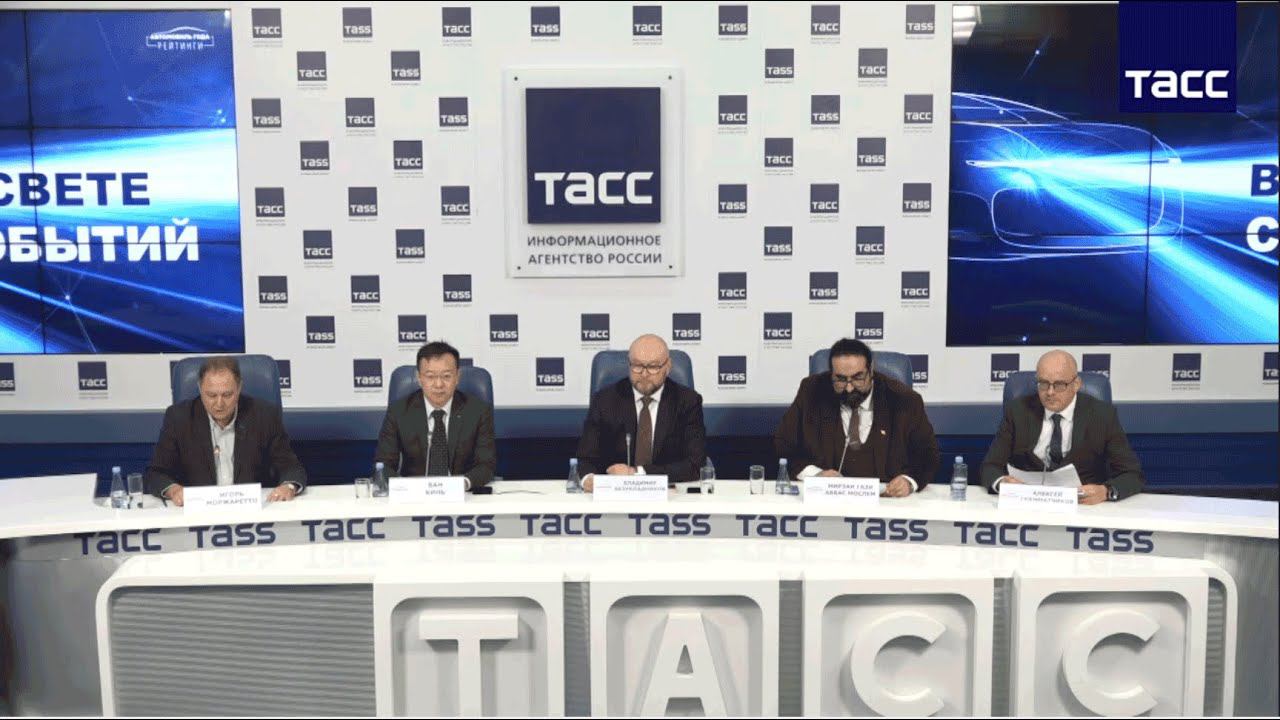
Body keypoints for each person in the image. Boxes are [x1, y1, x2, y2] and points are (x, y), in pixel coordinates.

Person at [773, 338, 939, 496]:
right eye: (840, 379)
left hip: (887, 501)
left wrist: (908, 481)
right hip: (827, 499)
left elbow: (928, 455)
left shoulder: (904, 399)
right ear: (831, 374)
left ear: (871, 371)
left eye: (858, 378)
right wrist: (816, 475)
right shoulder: (811, 391)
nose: (849, 388)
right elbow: (782, 445)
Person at [981, 349, 1144, 504]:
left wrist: (1105, 491)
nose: (1050, 392)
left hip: (1083, 507)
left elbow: (1132, 474)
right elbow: (990, 466)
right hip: (1028, 504)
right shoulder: (1018, 411)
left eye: (1059, 385)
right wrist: (1002, 483)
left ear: (1076, 384)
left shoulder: (1102, 415)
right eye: (1043, 383)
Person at [145, 356, 305, 506]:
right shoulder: (179, 418)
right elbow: (156, 473)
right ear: (200, 388)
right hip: (200, 513)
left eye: (227, 395)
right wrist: (174, 490)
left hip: (252, 511)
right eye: (211, 395)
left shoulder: (264, 415)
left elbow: (291, 467)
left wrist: (288, 486)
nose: (219, 404)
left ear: (239, 388)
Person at [577, 334, 706, 491]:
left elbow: (695, 464)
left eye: (653, 367)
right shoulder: (604, 400)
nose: (644, 374)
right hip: (615, 495)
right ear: (629, 364)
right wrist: (589, 479)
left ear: (668, 366)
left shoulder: (687, 402)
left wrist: (638, 473)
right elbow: (586, 459)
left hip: (669, 495)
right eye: (637, 365)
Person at [374, 341, 496, 490]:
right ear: (419, 378)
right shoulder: (399, 411)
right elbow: (383, 465)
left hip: (462, 495)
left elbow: (486, 465)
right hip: (414, 495)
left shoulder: (478, 411)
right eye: (430, 377)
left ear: (457, 377)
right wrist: (406, 488)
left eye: (446, 376)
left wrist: (461, 484)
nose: (438, 384)